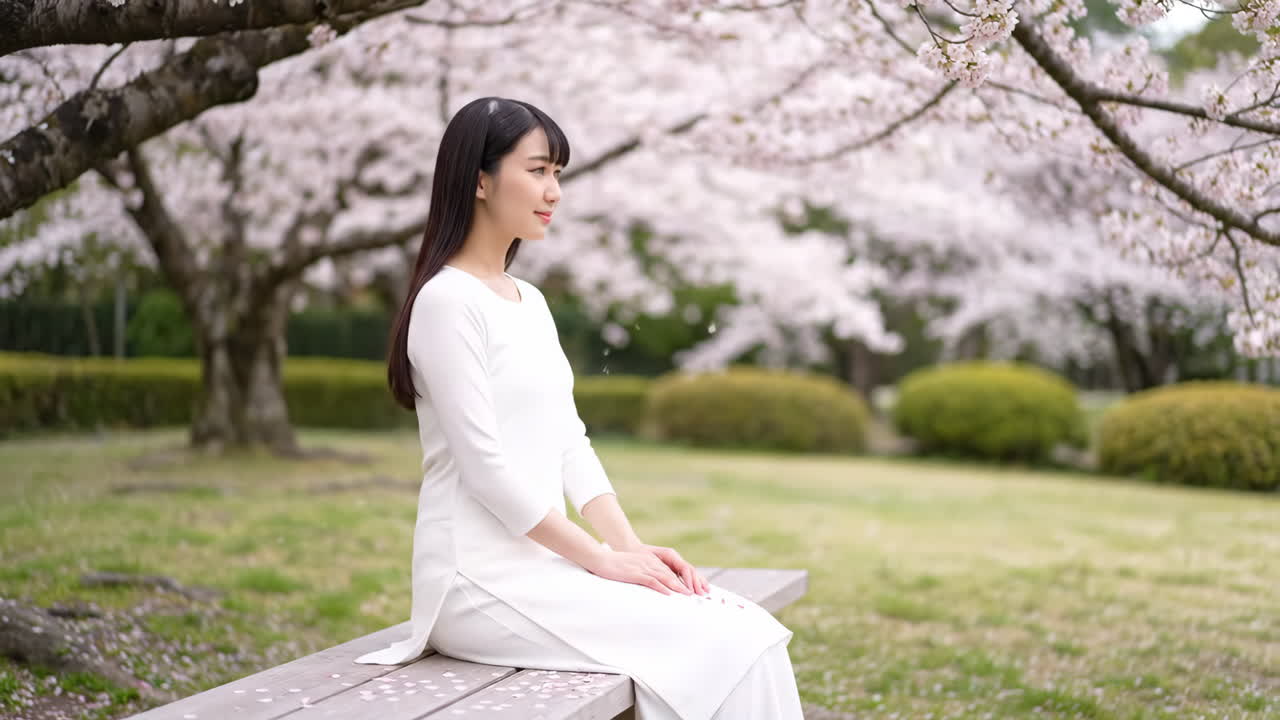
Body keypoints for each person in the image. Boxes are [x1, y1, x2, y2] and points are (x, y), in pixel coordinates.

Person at [354, 96, 805, 720]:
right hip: (478, 582)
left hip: (548, 571)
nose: (554, 191)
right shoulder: (446, 303)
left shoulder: (529, 301)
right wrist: (599, 560)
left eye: (557, 174)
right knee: (723, 643)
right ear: (480, 180)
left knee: (748, 631)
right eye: (537, 170)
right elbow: (486, 471)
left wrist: (631, 550)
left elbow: (570, 442)